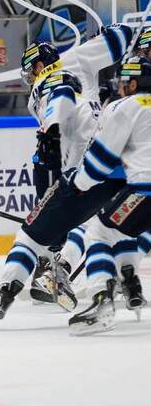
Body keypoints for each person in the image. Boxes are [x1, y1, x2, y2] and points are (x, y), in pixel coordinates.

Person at [0, 32, 140, 328]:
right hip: (120, 167)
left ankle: (4, 296)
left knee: (31, 234)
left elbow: (59, 94)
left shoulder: (51, 78)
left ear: (39, 66)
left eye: (31, 70)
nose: (30, 77)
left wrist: (51, 131)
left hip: (84, 170)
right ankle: (88, 276)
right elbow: (121, 36)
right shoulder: (81, 69)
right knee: (96, 228)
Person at [67, 56, 151, 335]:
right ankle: (131, 283)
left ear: (135, 82)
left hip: (145, 190)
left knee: (99, 232)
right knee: (123, 231)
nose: (121, 87)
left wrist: (79, 182)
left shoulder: (130, 106)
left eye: (125, 82)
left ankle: (102, 300)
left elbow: (102, 157)